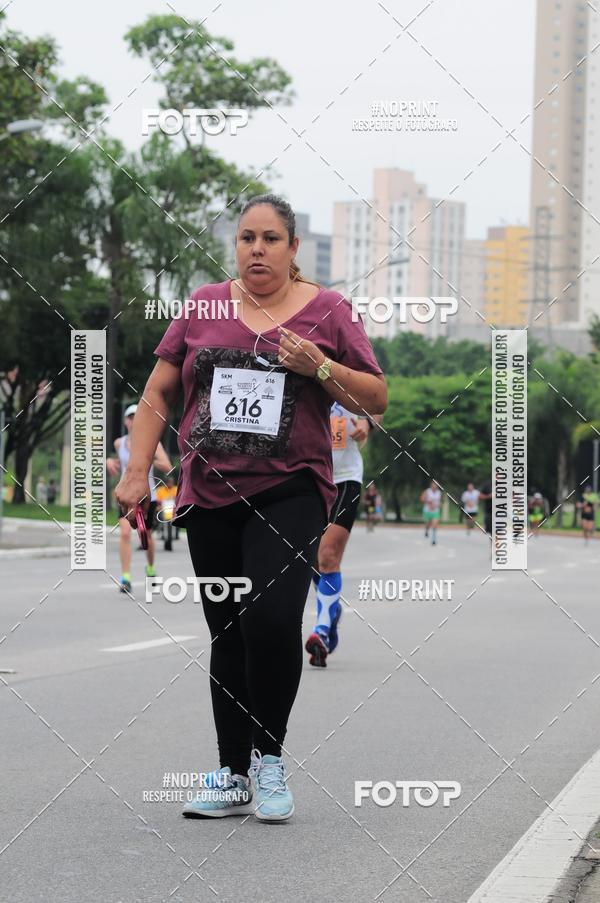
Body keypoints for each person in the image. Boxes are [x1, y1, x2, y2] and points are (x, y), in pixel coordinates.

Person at [114, 194, 387, 822]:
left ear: (294, 251)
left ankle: (269, 760)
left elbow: (376, 396)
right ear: (235, 246)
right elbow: (159, 388)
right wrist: (136, 470)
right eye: (246, 238)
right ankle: (232, 771)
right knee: (228, 633)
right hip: (209, 494)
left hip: (290, 491)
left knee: (269, 623)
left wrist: (318, 364)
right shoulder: (205, 304)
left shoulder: (328, 311)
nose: (256, 249)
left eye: (270, 239)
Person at [305, 403, 381, 668]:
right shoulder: (292, 362)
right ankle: (332, 607)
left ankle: (322, 629)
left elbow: (378, 399)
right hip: (306, 476)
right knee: (310, 557)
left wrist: (367, 423)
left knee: (327, 556)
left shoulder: (349, 364)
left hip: (345, 478)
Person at [107, 404, 172, 592]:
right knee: (125, 533)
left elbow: (167, 465)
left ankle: (150, 569)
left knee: (147, 537)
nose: (134, 420)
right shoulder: (119, 443)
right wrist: (108, 461)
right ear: (126, 421)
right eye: (130, 417)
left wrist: (146, 457)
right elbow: (117, 461)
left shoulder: (153, 443)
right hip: (127, 495)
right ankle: (125, 578)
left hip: (146, 496)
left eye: (137, 416)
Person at [420, 480, 442, 545]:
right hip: (427, 510)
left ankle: (434, 539)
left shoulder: (439, 493)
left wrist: (437, 505)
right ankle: (426, 530)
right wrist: (429, 502)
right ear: (431, 485)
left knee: (435, 525)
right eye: (433, 485)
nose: (434, 486)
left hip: (435, 511)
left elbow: (439, 502)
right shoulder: (427, 491)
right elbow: (422, 499)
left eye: (436, 485)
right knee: (427, 524)